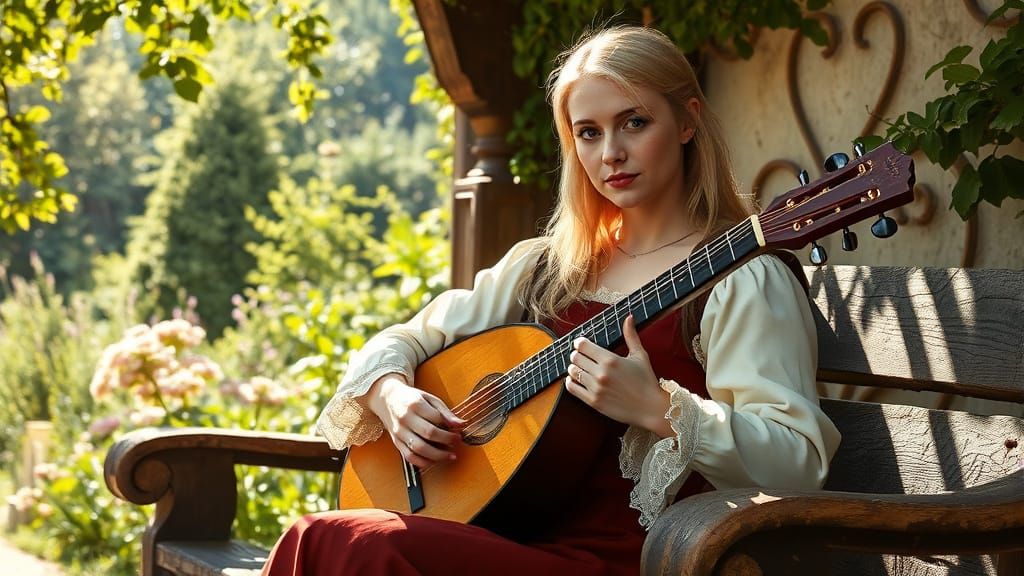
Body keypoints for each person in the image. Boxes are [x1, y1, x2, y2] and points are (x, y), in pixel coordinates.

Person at [262, 25, 841, 576]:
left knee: (337, 544)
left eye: (634, 122)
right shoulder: (545, 268)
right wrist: (392, 397)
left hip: (635, 559)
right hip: (509, 537)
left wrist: (660, 408)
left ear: (688, 121)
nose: (610, 152)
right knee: (325, 539)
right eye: (588, 132)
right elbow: (402, 340)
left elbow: (798, 463)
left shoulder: (741, 279)